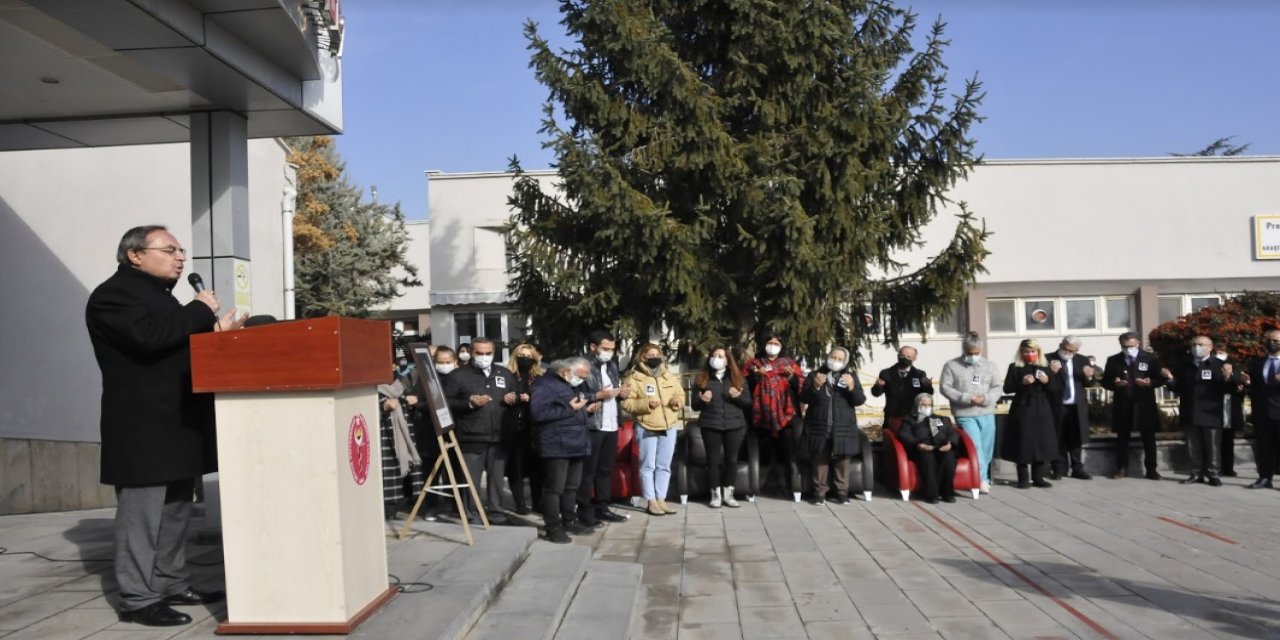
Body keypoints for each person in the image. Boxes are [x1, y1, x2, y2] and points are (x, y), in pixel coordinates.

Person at [86, 225, 246, 627]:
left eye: (181, 250)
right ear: (135, 255)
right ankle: (137, 598)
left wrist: (218, 336)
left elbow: (178, 348)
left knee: (176, 510)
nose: (180, 258)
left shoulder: (162, 298)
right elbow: (149, 340)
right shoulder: (113, 296)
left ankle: (172, 582)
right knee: (142, 515)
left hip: (178, 419)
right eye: (169, 249)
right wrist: (199, 311)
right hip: (143, 425)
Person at [446, 337, 519, 520]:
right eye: (480, 353)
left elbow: (515, 394)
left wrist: (514, 399)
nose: (484, 357)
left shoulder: (504, 373)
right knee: (471, 479)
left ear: (493, 353)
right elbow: (446, 402)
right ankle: (471, 513)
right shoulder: (458, 376)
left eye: (488, 353)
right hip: (472, 436)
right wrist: (469, 403)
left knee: (496, 479)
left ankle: (496, 512)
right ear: (472, 353)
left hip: (500, 436)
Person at [530, 357, 594, 543]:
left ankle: (569, 519)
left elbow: (575, 405)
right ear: (566, 371)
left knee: (571, 486)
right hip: (556, 444)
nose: (582, 380)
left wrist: (586, 408)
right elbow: (538, 413)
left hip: (576, 442)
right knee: (554, 488)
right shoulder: (544, 385)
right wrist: (569, 408)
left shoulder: (568, 384)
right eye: (580, 376)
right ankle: (553, 526)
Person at [1163, 334, 1237, 486]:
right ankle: (1196, 473)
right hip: (1190, 411)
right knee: (1193, 445)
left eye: (1201, 345)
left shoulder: (1219, 365)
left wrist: (1228, 378)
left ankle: (1213, 474)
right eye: (1194, 345)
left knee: (1213, 446)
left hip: (1211, 413)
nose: (1197, 348)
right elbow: (1177, 388)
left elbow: (1229, 390)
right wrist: (1170, 379)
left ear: (1210, 347)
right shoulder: (1185, 365)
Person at [622, 343, 686, 516]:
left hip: (669, 425)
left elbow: (680, 394)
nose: (654, 358)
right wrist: (646, 404)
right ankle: (651, 501)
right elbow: (626, 403)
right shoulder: (634, 378)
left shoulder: (668, 375)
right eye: (650, 355)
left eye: (657, 354)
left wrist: (677, 402)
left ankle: (661, 499)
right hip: (647, 426)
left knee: (664, 465)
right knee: (647, 465)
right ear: (642, 357)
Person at [799, 347, 866, 505]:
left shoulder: (850, 377)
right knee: (819, 461)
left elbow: (859, 399)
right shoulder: (815, 375)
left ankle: (842, 493)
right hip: (819, 426)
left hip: (843, 426)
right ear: (827, 357)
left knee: (842, 461)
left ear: (845, 362)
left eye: (839, 359)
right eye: (833, 357)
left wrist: (851, 387)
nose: (835, 361)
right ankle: (819, 493)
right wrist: (815, 387)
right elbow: (804, 397)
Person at [741, 333, 805, 500]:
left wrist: (791, 378)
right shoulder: (753, 364)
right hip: (760, 416)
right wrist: (756, 376)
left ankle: (791, 487)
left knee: (789, 451)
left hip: (786, 416)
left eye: (776, 343)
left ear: (781, 346)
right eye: (769, 342)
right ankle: (756, 486)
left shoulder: (790, 364)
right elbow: (743, 385)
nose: (772, 345)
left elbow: (801, 387)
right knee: (761, 452)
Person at [577, 331, 630, 526]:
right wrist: (596, 396)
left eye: (612, 349)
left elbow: (613, 390)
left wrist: (621, 393)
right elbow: (575, 394)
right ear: (593, 347)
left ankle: (603, 507)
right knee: (588, 470)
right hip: (592, 424)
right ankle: (584, 509)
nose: (609, 352)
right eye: (605, 349)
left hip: (611, 423)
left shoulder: (612, 366)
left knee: (605, 469)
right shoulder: (582, 366)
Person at [940, 332, 1003, 494]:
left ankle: (984, 477)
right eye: (970, 353)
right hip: (965, 413)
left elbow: (997, 388)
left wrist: (986, 398)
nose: (973, 356)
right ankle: (979, 479)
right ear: (964, 349)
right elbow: (945, 387)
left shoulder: (990, 366)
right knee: (975, 447)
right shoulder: (951, 366)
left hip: (987, 412)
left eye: (976, 353)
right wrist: (965, 397)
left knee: (987, 448)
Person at [1100, 333, 1167, 480]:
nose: (1128, 349)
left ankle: (1151, 470)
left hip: (1144, 404)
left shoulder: (1151, 358)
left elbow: (1161, 379)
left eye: (1131, 346)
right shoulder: (1114, 360)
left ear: (1137, 343)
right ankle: (1121, 468)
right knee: (1122, 438)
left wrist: (1150, 383)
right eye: (1125, 346)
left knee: (1148, 437)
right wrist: (1114, 384)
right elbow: (1105, 382)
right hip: (1123, 403)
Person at [691, 346, 751, 508]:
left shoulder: (738, 378)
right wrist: (703, 400)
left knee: (731, 460)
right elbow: (694, 406)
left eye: (721, 356)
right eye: (714, 355)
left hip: (735, 425)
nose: (717, 358)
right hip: (710, 425)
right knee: (713, 461)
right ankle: (715, 494)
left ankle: (728, 493)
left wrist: (738, 397)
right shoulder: (702, 378)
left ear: (727, 360)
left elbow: (748, 403)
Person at [1001, 339, 1061, 489]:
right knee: (1023, 442)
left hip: (1041, 410)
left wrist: (1048, 381)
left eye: (1033, 351)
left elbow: (1055, 391)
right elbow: (1007, 388)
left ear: (1038, 352)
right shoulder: (1014, 367)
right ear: (1021, 353)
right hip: (1022, 409)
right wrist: (1022, 383)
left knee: (1040, 443)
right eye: (1026, 351)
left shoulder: (1045, 368)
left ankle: (1038, 477)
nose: (1030, 354)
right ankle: (1023, 478)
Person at [896, 393, 959, 503]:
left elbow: (952, 433)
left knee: (949, 457)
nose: (926, 407)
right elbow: (904, 435)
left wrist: (950, 444)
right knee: (928, 459)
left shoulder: (939, 419)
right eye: (923, 404)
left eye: (929, 405)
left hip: (940, 446)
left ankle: (947, 493)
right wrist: (917, 444)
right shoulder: (909, 420)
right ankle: (931, 495)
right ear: (917, 405)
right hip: (921, 448)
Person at [379, 364, 424, 520]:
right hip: (384, 438)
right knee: (387, 474)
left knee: (405, 471)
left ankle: (404, 503)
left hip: (405, 439)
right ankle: (389, 510)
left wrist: (413, 402)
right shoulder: (370, 388)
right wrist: (384, 407)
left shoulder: (401, 387)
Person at [1048, 336, 1094, 480]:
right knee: (1058, 437)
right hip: (1057, 405)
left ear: (1076, 350)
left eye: (1071, 350)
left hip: (1076, 405)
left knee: (1076, 438)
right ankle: (1058, 469)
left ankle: (1077, 468)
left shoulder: (1082, 360)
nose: (1067, 352)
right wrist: (1052, 372)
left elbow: (1088, 385)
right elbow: (1044, 383)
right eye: (1065, 348)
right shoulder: (1048, 358)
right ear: (1060, 344)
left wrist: (1089, 377)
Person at [505, 343, 544, 515]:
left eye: (528, 356)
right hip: (515, 428)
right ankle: (520, 504)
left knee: (537, 470)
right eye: (521, 355)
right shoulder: (508, 375)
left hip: (535, 429)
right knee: (517, 469)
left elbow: (546, 399)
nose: (525, 359)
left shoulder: (540, 377)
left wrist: (532, 398)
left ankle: (538, 503)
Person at [1242, 329, 1280, 489]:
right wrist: (1248, 384)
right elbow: (1254, 389)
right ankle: (1265, 477)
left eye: (1276, 341)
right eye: (1269, 340)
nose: (1272, 344)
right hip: (1262, 413)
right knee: (1264, 447)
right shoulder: (1256, 363)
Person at [871, 345, 933, 421]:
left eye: (908, 356)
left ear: (914, 358)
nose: (905, 358)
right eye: (902, 355)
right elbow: (875, 393)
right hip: (892, 416)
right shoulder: (886, 373)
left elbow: (928, 394)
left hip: (912, 415)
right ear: (898, 356)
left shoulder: (919, 374)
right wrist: (878, 386)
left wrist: (927, 386)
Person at [1213, 342, 1246, 477]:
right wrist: (1226, 379)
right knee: (1216, 440)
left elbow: (1239, 383)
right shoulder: (1211, 364)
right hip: (1215, 405)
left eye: (1222, 351)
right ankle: (1216, 467)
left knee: (1228, 439)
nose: (1220, 354)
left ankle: (1228, 467)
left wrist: (1234, 380)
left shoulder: (1235, 365)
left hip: (1231, 405)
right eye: (1218, 351)